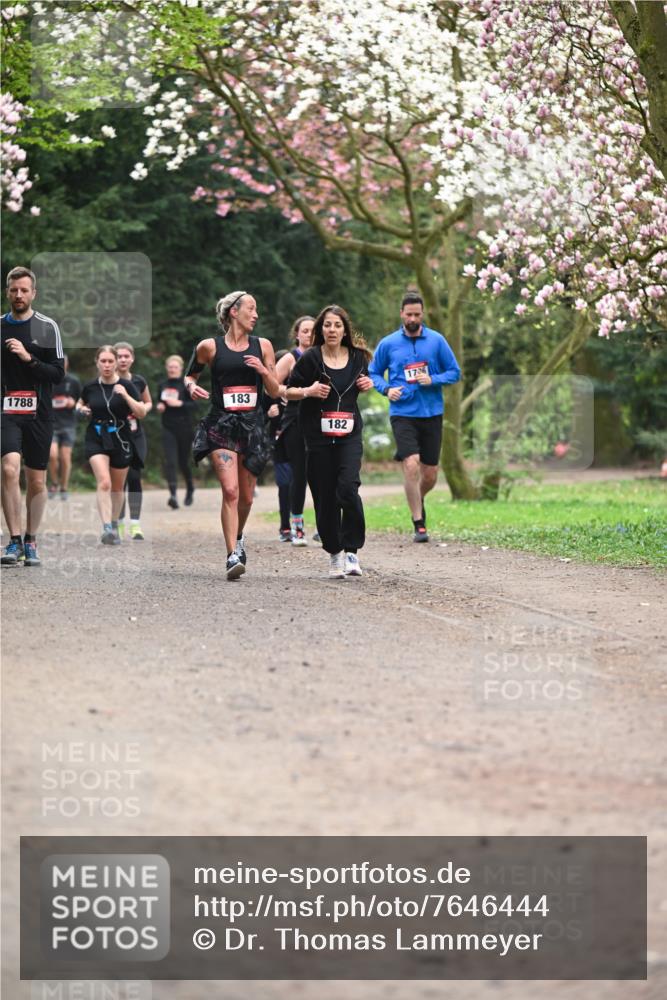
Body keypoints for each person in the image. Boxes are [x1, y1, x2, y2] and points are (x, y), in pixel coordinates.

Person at [185, 290, 279, 580]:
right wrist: (190, 387)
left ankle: (238, 537)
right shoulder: (208, 347)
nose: (256, 315)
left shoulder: (262, 345)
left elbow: (275, 390)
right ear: (233, 312)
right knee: (230, 491)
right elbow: (191, 375)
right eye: (251, 308)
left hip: (252, 426)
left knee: (247, 498)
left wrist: (264, 371)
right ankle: (232, 556)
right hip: (220, 425)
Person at [285, 304, 373, 579]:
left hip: (348, 435)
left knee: (348, 489)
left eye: (337, 325)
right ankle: (334, 552)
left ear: (345, 329)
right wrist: (309, 391)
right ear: (321, 329)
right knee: (324, 497)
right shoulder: (311, 358)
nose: (332, 330)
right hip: (318, 436)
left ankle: (352, 551)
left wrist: (368, 384)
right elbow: (288, 390)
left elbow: (367, 380)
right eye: (327, 325)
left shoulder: (358, 358)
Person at [369, 292, 461, 542]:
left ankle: (417, 497)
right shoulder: (388, 343)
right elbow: (373, 373)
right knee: (411, 464)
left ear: (423, 315)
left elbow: (454, 372)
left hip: (431, 412)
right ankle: (418, 522)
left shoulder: (437, 341)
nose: (412, 318)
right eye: (408, 314)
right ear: (401, 314)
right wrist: (387, 389)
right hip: (402, 413)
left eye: (417, 314)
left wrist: (433, 379)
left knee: (430, 473)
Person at [1, 266, 64, 567]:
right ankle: (13, 541)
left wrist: (29, 358)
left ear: (33, 293)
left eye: (24, 290)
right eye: (14, 290)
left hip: (39, 412)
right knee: (9, 469)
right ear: (7, 292)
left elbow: (58, 374)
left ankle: (31, 539)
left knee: (36, 482)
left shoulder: (47, 327)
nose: (19, 295)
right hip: (6, 410)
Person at [76, 345, 145, 545]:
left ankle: (114, 524)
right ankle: (106, 526)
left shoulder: (127, 385)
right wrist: (82, 410)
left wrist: (125, 395)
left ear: (116, 363)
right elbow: (79, 403)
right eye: (103, 361)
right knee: (104, 482)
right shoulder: (90, 387)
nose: (106, 365)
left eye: (110, 361)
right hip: (96, 435)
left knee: (117, 487)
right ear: (97, 362)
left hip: (121, 437)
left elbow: (141, 412)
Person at [275, 315, 314, 545]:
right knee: (299, 474)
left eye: (312, 330)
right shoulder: (291, 358)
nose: (309, 334)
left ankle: (324, 524)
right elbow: (272, 385)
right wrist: (291, 394)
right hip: (295, 420)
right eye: (305, 331)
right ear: (297, 334)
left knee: (321, 474)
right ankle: (296, 525)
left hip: (318, 419)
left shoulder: (323, 355)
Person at [114, 341, 152, 540]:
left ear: (132, 358)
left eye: (126, 356)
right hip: (116, 435)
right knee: (118, 481)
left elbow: (148, 402)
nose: (122, 360)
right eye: (119, 356)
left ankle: (135, 525)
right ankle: (118, 524)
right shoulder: (108, 381)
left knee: (134, 476)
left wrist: (144, 409)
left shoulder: (138, 381)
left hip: (136, 435)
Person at [156, 354, 196, 509]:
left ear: (181, 368)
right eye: (170, 367)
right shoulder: (162, 384)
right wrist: (160, 406)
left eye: (175, 367)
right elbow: (160, 401)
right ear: (167, 368)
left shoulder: (186, 385)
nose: (172, 369)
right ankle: (173, 495)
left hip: (184, 428)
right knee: (170, 462)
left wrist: (180, 403)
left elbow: (195, 406)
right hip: (168, 427)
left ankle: (190, 488)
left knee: (183, 462)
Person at [267, 350, 293, 542]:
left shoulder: (299, 391)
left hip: (302, 439)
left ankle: (320, 527)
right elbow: (256, 417)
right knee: (284, 485)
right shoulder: (269, 393)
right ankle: (285, 526)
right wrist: (268, 414)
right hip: (279, 443)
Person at [48, 354, 81, 501]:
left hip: (68, 424)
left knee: (65, 457)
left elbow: (83, 400)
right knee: (52, 455)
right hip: (51, 424)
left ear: (67, 364)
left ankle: (64, 487)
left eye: (63, 362)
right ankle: (54, 483)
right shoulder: (48, 379)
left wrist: (74, 403)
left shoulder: (73, 381)